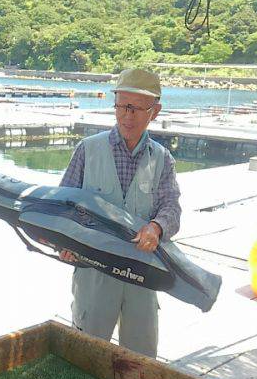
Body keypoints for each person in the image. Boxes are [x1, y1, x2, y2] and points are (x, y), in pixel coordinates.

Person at [59, 68, 181, 358]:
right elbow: (62, 204)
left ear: (155, 111)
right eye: (121, 106)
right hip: (93, 272)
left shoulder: (162, 159)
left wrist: (156, 227)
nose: (127, 116)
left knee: (141, 359)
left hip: (142, 272)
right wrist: (64, 243)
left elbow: (171, 207)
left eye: (136, 108)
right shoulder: (87, 149)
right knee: (85, 355)